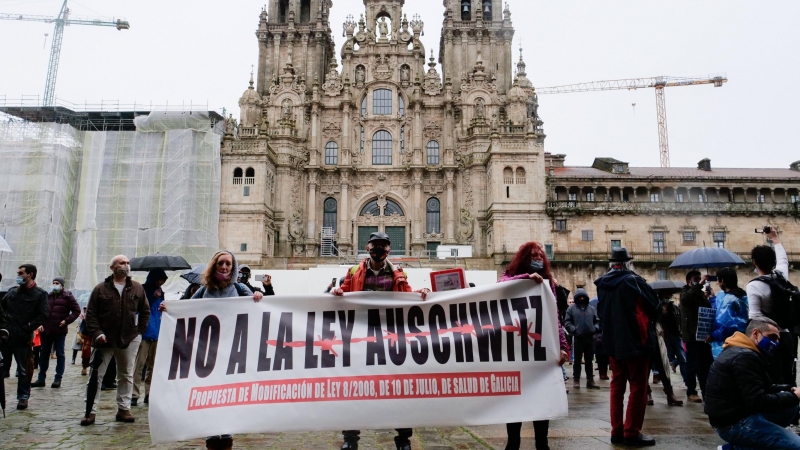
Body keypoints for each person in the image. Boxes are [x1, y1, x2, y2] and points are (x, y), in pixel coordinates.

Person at [332, 231, 430, 450]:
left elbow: (408, 294)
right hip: (360, 339)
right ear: (367, 248)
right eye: (375, 245)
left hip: (390, 339)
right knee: (354, 387)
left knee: (399, 387)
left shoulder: (398, 273)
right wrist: (336, 290)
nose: (379, 250)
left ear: (389, 250)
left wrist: (421, 292)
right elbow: (344, 292)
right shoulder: (355, 271)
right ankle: (350, 438)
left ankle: (403, 439)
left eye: (383, 246)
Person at [182, 250, 264, 450]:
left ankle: (227, 437)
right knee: (211, 393)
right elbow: (187, 310)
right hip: (209, 351)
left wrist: (259, 295)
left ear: (233, 267)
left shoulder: (240, 287)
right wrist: (169, 309)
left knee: (228, 394)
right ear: (215, 265)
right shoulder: (204, 289)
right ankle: (211, 437)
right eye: (221, 263)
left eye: (228, 264)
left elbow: (259, 305)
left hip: (233, 352)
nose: (224, 267)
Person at [496, 241, 569, 450]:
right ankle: (513, 442)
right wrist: (525, 279)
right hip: (517, 349)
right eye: (534, 256)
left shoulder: (548, 283)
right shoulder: (512, 276)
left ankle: (542, 442)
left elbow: (554, 317)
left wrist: (564, 347)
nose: (538, 259)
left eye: (540, 256)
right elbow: (502, 283)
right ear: (525, 258)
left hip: (540, 347)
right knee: (515, 398)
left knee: (542, 396)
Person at [595, 248, 660, 447]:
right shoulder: (634, 281)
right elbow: (655, 306)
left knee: (616, 387)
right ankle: (632, 432)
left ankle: (616, 431)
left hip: (612, 342)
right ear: (628, 263)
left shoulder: (602, 284)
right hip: (635, 341)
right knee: (638, 387)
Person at [704, 318, 800, 450]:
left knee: (791, 408)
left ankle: (754, 441)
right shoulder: (745, 357)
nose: (776, 343)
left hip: (734, 414)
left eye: (778, 339)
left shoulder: (741, 349)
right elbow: (757, 401)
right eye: (772, 337)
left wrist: (789, 389)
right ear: (756, 333)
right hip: (733, 423)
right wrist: (794, 397)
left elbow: (762, 387)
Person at [80, 255, 150, 426]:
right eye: (121, 263)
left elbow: (145, 311)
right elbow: (91, 314)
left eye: (127, 263)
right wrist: (97, 333)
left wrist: (139, 332)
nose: (125, 265)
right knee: (96, 376)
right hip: (104, 340)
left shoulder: (137, 288)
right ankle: (90, 412)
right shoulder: (100, 289)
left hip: (129, 338)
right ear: (112, 267)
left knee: (126, 374)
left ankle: (124, 409)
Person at [747, 228, 794, 386]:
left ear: (754, 262)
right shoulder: (781, 275)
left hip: (767, 338)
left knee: (771, 378)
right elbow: (783, 259)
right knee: (789, 375)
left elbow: (754, 316)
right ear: (773, 262)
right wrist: (774, 238)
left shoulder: (754, 286)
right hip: (787, 335)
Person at [0, 264, 49, 410]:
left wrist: (28, 326)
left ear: (30, 274)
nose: (18, 276)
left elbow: (43, 315)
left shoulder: (39, 294)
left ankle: (23, 397)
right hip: (7, 335)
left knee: (22, 369)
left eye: (21, 273)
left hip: (23, 336)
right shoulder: (12, 292)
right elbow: (2, 308)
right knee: (2, 368)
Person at [31, 277, 80, 389]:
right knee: (44, 355)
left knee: (60, 354)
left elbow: (76, 311)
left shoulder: (68, 296)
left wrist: (66, 321)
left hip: (59, 331)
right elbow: (41, 312)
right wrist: (40, 324)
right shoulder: (48, 296)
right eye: (53, 283)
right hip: (46, 331)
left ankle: (58, 378)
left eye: (57, 283)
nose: (55, 285)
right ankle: (41, 378)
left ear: (62, 285)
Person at [131, 269, 167, 406]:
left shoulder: (161, 292)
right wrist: (152, 297)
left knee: (152, 366)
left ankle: (149, 393)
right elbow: (139, 308)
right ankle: (134, 394)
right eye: (159, 280)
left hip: (157, 332)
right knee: (138, 365)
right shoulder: (143, 290)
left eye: (163, 281)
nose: (161, 283)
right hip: (144, 333)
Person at [680, 270, 714, 403]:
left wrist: (709, 297)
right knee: (692, 365)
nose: (699, 280)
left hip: (703, 335)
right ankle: (691, 391)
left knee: (706, 365)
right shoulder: (685, 292)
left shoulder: (700, 294)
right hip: (691, 336)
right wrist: (699, 284)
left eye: (699, 279)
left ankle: (706, 391)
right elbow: (687, 298)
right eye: (696, 279)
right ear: (689, 281)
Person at [564, 288, 600, 390]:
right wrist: (573, 330)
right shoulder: (571, 309)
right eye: (580, 297)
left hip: (590, 338)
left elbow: (597, 320)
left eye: (583, 297)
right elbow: (567, 322)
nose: (582, 298)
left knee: (589, 360)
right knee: (577, 361)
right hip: (578, 338)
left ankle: (590, 380)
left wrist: (595, 328)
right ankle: (576, 380)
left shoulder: (591, 308)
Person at [709, 268, 749, 359]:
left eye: (718, 280)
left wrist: (712, 336)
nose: (717, 283)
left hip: (727, 346)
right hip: (742, 342)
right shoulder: (743, 295)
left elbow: (723, 325)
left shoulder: (729, 299)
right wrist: (713, 299)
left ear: (722, 281)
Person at [657, 291, 687, 385]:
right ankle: (663, 379)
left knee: (682, 358)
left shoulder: (674, 308)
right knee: (662, 359)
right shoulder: (658, 306)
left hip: (675, 336)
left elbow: (679, 320)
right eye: (667, 295)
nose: (669, 296)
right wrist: (662, 313)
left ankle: (686, 379)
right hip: (664, 337)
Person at [590, 296, 610, 380]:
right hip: (598, 336)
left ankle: (604, 372)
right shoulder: (596, 313)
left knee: (605, 355)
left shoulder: (608, 314)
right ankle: (602, 372)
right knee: (600, 355)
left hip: (606, 336)